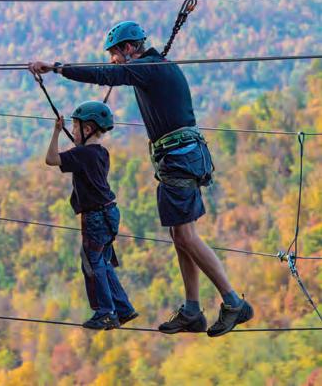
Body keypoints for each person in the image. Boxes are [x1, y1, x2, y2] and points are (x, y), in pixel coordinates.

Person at [30, 21, 254, 337]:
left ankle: (233, 302)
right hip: (180, 158)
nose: (112, 61)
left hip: (180, 159)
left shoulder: (148, 68)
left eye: (114, 54)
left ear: (128, 48)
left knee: (186, 236)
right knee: (180, 235)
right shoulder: (153, 67)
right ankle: (192, 310)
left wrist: (57, 68)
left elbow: (103, 75)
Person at [44, 100, 138, 330]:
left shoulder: (82, 154)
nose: (73, 130)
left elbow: (51, 159)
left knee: (92, 262)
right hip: (110, 213)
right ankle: (123, 308)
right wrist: (75, 141)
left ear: (87, 129)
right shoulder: (101, 153)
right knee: (102, 261)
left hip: (95, 217)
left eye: (75, 127)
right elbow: (81, 154)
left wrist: (56, 132)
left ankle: (106, 312)